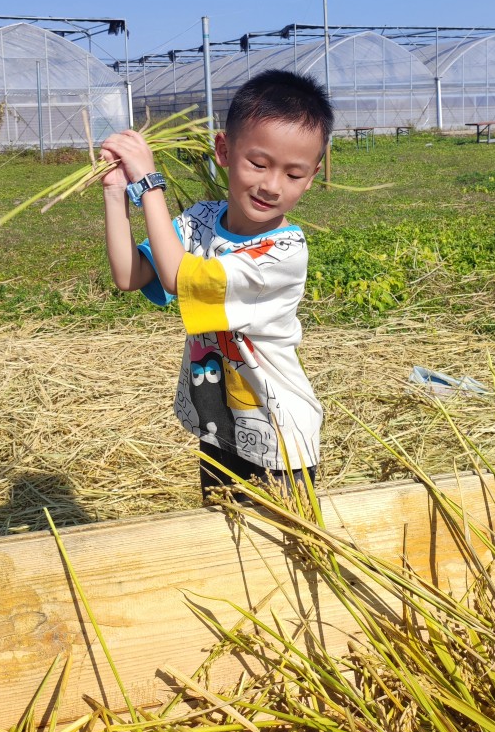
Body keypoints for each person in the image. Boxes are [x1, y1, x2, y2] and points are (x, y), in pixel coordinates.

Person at [101, 69, 333, 499]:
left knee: (283, 540)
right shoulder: (201, 221)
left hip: (279, 439)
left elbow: (177, 277)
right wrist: (116, 192)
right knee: (222, 532)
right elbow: (130, 276)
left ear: (312, 176)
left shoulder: (281, 253)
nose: (272, 185)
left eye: (293, 175)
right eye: (258, 164)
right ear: (224, 151)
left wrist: (149, 183)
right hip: (220, 428)